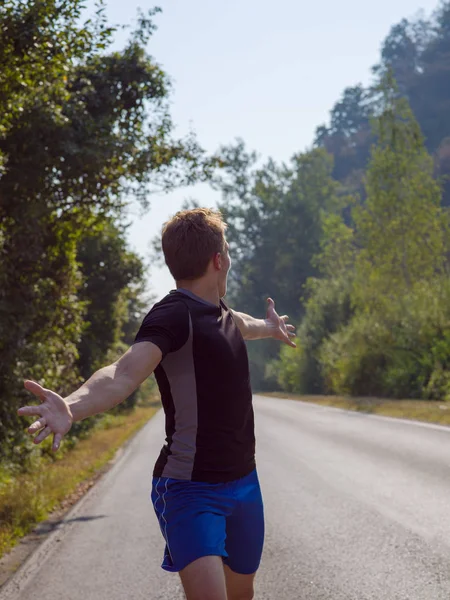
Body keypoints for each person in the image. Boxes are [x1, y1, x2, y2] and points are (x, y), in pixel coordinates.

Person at [18, 208, 296, 600]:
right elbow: (123, 372)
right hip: (189, 488)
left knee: (242, 593)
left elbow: (241, 323)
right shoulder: (172, 315)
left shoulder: (221, 314)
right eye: (228, 252)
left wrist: (270, 328)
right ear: (219, 260)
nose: (229, 260)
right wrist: (73, 406)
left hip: (244, 483)